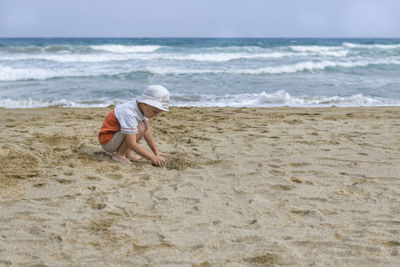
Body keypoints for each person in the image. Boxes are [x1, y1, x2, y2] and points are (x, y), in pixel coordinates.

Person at [98, 85, 170, 165]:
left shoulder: (142, 109)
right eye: (155, 112)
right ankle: (119, 155)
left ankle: (127, 153)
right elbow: (131, 143)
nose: (155, 115)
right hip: (108, 141)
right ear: (145, 104)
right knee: (140, 127)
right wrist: (151, 157)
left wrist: (156, 151)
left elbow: (146, 131)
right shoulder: (129, 112)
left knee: (143, 126)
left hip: (116, 136)